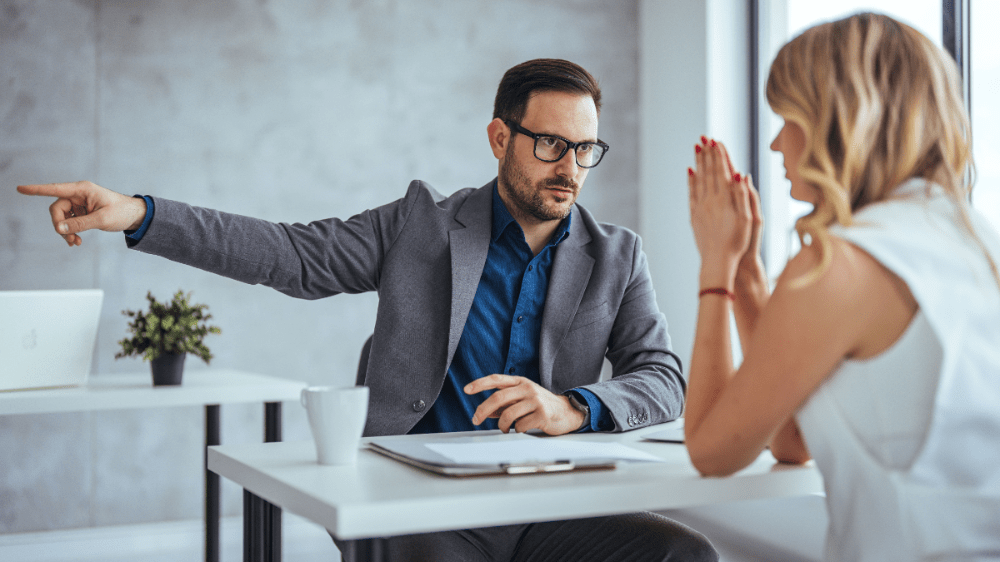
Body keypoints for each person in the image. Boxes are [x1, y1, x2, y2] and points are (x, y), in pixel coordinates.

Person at [18, 59, 716, 562]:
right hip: (418, 501)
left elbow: (662, 377)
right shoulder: (420, 226)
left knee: (684, 554)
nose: (570, 167)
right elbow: (288, 253)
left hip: (548, 505)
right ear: (501, 138)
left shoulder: (617, 254)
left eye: (586, 148)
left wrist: (573, 408)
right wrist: (140, 213)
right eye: (551, 144)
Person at [684, 12, 1000, 562]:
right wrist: (747, 276)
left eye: (788, 118)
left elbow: (712, 450)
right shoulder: (975, 242)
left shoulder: (837, 267)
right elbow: (794, 439)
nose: (776, 143)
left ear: (836, 121)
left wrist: (714, 268)